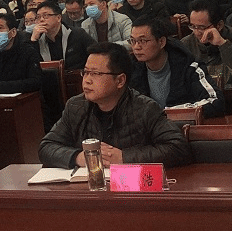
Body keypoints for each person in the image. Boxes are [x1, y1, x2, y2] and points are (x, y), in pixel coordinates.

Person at [39, 42, 191, 169]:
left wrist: (124, 157)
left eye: (96, 74)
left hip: (132, 188)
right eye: (85, 72)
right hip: (90, 187)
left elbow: (178, 148)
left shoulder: (145, 109)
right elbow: (46, 146)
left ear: (120, 81)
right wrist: (79, 157)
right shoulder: (76, 106)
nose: (87, 80)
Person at [128, 18, 224, 117]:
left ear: (161, 42)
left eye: (143, 41)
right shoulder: (130, 71)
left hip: (181, 124)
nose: (136, 47)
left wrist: (172, 112)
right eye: (133, 41)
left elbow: (214, 101)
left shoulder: (188, 67)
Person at [181, 0, 232, 79]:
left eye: (202, 27)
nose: (197, 32)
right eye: (193, 26)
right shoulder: (186, 44)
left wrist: (223, 44)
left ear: (219, 25)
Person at [32, 2, 93, 69]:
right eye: (38, 17)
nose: (41, 20)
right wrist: (33, 40)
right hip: (48, 75)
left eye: (45, 16)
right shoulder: (37, 39)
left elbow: (95, 53)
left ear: (58, 18)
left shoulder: (78, 34)